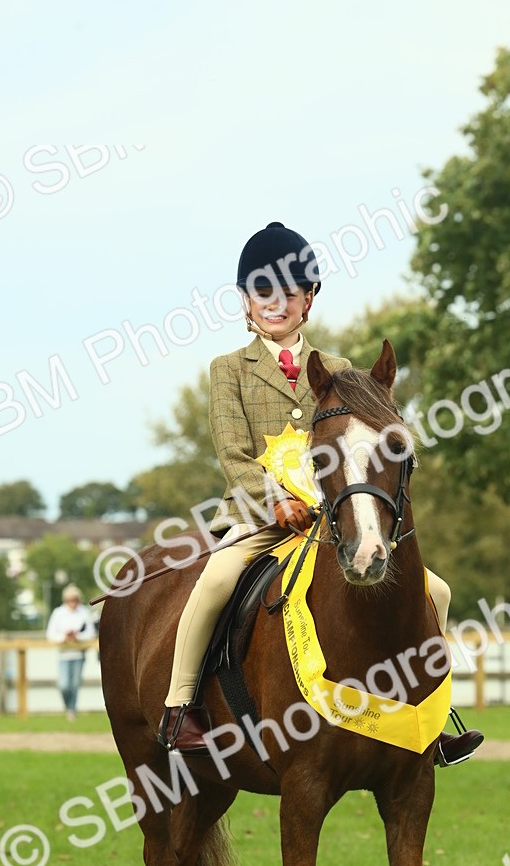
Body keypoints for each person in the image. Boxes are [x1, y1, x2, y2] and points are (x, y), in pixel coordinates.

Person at [158, 221, 483, 766]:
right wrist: (275, 500)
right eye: (263, 292)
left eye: (288, 292)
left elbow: (363, 448)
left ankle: (430, 715)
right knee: (215, 579)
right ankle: (180, 704)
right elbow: (234, 455)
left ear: (309, 298)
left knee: (440, 592)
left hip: (333, 518)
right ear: (245, 299)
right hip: (258, 515)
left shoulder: (339, 371)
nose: (275, 303)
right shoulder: (228, 371)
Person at [46, 584, 96, 720]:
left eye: (75, 599)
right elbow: (50, 634)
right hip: (63, 654)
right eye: (70, 600)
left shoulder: (84, 612)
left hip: (79, 653)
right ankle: (68, 707)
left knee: (74, 684)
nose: (72, 603)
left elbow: (90, 633)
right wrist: (64, 637)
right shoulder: (58, 613)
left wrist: (77, 637)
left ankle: (71, 711)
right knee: (64, 685)